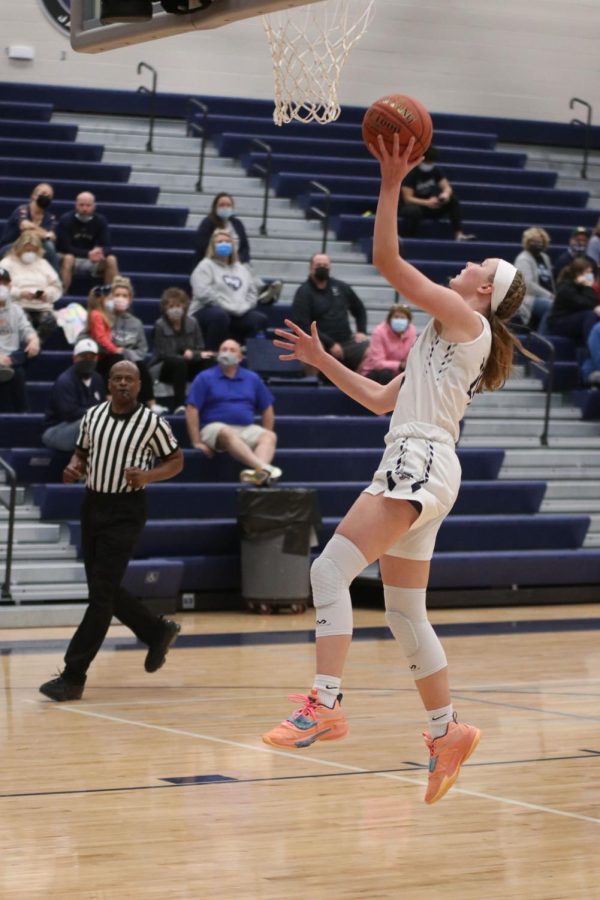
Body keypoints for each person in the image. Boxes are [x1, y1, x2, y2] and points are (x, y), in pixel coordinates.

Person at [262, 133, 527, 806]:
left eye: (478, 266)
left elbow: (385, 258)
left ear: (485, 292)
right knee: (406, 614)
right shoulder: (446, 338)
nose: (467, 265)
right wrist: (326, 364)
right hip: (428, 461)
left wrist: (389, 181)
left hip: (419, 458)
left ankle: (325, 703)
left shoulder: (466, 318)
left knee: (328, 571)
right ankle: (446, 730)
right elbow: (382, 398)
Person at [38, 360, 184, 702]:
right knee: (103, 589)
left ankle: (73, 675)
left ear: (138, 385)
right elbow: (82, 453)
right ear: (108, 383)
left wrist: (148, 476)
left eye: (129, 379)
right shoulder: (93, 416)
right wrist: (75, 467)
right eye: (117, 378)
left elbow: (176, 460)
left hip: (127, 510)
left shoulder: (152, 423)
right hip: (93, 505)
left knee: (100, 597)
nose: (122, 383)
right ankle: (156, 630)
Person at [185, 338, 282, 486]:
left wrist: (266, 429)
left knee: (269, 436)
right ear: (218, 354)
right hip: (214, 428)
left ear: (240, 357)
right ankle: (264, 468)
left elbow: (267, 407)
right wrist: (196, 441)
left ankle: (259, 475)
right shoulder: (204, 377)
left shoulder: (252, 378)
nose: (227, 353)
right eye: (224, 349)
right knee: (227, 432)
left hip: (245, 428)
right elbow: (192, 408)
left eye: (232, 350)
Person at [192, 191, 282, 304]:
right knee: (243, 268)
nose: (225, 207)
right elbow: (201, 245)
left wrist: (239, 258)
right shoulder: (208, 223)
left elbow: (245, 247)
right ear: (215, 207)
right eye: (222, 205)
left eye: (228, 205)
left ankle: (263, 292)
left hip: (237, 261)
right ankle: (262, 291)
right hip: (216, 262)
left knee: (245, 266)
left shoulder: (237, 223)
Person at [190, 229, 269, 351]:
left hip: (236, 313)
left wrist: (244, 307)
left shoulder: (242, 269)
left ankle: (245, 356)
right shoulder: (205, 266)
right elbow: (204, 294)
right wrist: (228, 307)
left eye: (227, 241)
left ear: (233, 246)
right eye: (220, 241)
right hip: (205, 312)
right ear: (212, 246)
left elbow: (252, 293)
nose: (224, 244)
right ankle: (213, 356)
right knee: (219, 315)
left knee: (259, 319)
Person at [291, 253, 370, 372]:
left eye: (325, 265)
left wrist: (361, 331)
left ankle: (358, 387)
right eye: (318, 265)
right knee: (311, 352)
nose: (322, 267)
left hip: (346, 341)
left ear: (330, 268)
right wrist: (330, 344)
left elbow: (359, 309)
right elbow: (302, 325)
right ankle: (314, 386)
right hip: (319, 342)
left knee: (370, 350)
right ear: (311, 267)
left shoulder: (341, 287)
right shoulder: (303, 292)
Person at [109, 276, 168, 415]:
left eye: (124, 296)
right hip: (111, 356)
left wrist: (130, 355)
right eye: (117, 295)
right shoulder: (105, 318)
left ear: (130, 300)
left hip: (131, 358)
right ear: (111, 297)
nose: (120, 298)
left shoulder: (136, 322)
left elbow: (143, 349)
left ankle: (151, 404)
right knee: (115, 362)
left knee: (141, 367)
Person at [151, 286, 216, 412]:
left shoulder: (193, 322)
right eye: (171, 306)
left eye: (178, 305)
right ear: (165, 308)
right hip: (166, 368)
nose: (175, 309)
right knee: (179, 363)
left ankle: (207, 401)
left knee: (209, 358)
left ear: (184, 306)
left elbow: (200, 348)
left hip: (190, 362)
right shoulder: (160, 325)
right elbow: (164, 354)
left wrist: (193, 354)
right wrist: (185, 356)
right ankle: (179, 405)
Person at [42, 338, 105, 452]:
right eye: (84, 357)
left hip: (85, 426)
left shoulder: (97, 379)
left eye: (92, 357)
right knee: (89, 424)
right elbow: (70, 414)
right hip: (57, 430)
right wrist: (98, 412)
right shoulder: (65, 381)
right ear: (75, 358)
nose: (88, 361)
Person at [399, 146, 475, 241]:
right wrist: (427, 202)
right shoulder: (411, 173)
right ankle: (411, 238)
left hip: (428, 206)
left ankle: (459, 234)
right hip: (410, 206)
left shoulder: (435, 170)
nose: (429, 165)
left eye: (431, 162)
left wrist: (445, 195)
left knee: (453, 200)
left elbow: (447, 187)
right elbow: (408, 199)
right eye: (427, 162)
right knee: (414, 211)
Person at [0, 232, 63, 342]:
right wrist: (20, 293)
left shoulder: (43, 263)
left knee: (49, 321)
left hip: (41, 306)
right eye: (27, 250)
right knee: (22, 321)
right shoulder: (6, 263)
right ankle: (28, 345)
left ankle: (35, 343)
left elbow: (56, 286)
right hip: (17, 305)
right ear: (19, 248)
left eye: (33, 251)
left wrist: (47, 293)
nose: (30, 253)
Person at [56, 191, 119, 293]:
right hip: (72, 258)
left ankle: (111, 295)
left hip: (92, 260)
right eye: (81, 205)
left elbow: (107, 245)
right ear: (76, 205)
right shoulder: (66, 219)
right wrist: (88, 253)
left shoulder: (100, 220)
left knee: (111, 259)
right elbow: (64, 246)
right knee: (68, 258)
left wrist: (100, 253)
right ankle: (62, 293)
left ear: (94, 206)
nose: (85, 209)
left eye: (88, 205)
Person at [0, 267, 40, 412]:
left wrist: (33, 339)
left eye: (3, 283)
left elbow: (27, 330)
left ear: (10, 286)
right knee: (18, 373)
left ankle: (23, 415)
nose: (1, 287)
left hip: (12, 358)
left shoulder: (16, 310)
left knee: (33, 349)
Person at [0, 182, 60, 273]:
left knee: (48, 245)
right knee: (47, 244)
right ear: (33, 196)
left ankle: (55, 282)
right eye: (43, 194)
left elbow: (52, 236)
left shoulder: (50, 217)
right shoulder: (22, 210)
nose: (46, 197)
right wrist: (45, 234)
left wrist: (35, 229)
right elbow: (25, 228)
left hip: (34, 249)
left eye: (49, 196)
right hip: (11, 246)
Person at [358, 303, 418, 384]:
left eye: (403, 317)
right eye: (396, 317)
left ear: (408, 321)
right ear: (389, 319)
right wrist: (399, 365)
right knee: (386, 374)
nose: (399, 320)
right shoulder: (379, 331)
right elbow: (378, 363)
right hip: (375, 372)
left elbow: (411, 356)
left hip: (399, 373)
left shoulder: (412, 331)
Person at [546, 258, 600, 345]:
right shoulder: (565, 287)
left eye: (591, 273)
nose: (590, 276)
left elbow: (592, 302)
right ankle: (594, 348)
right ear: (579, 274)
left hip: (575, 321)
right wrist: (588, 287)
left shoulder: (583, 287)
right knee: (590, 315)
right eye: (588, 273)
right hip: (559, 323)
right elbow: (585, 304)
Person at [513, 226, 554, 333]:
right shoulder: (523, 258)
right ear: (527, 242)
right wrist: (549, 295)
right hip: (528, 298)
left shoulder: (545, 257)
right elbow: (528, 285)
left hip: (545, 296)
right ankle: (542, 337)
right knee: (551, 307)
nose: (537, 245)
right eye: (533, 242)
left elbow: (550, 281)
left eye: (540, 242)